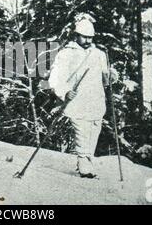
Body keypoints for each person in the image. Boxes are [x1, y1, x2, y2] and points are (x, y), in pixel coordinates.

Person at [48, 14, 118, 178]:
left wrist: (111, 76)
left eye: (90, 38)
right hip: (77, 100)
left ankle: (86, 162)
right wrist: (65, 91)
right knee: (81, 132)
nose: (87, 41)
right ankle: (84, 165)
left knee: (94, 132)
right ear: (76, 35)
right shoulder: (66, 54)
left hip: (96, 100)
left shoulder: (99, 54)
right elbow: (55, 77)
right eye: (84, 37)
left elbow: (105, 76)